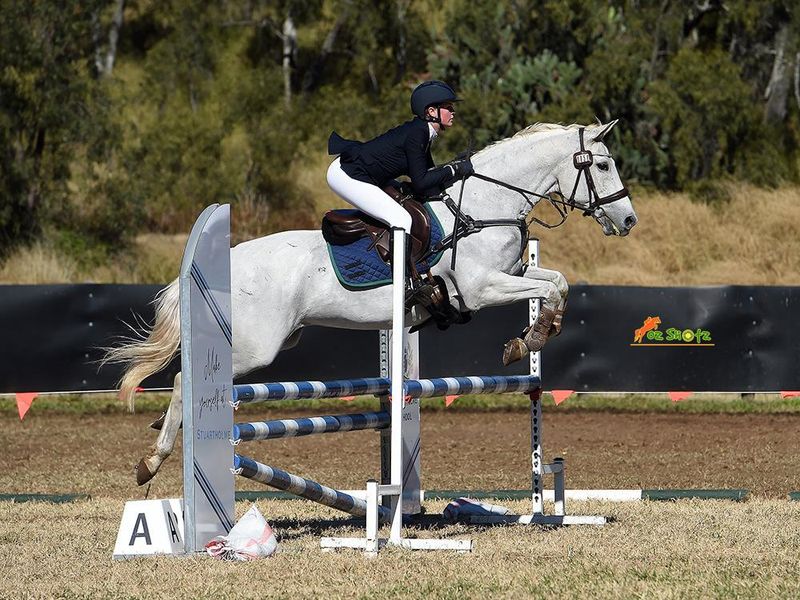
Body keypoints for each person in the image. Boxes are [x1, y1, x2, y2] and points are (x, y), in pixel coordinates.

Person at [326, 80, 473, 300]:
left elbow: (427, 179)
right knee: (401, 219)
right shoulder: (418, 133)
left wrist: (453, 166)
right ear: (431, 111)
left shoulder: (422, 132)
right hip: (347, 175)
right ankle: (406, 284)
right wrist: (454, 170)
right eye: (448, 107)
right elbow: (423, 181)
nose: (453, 111)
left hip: (366, 174)